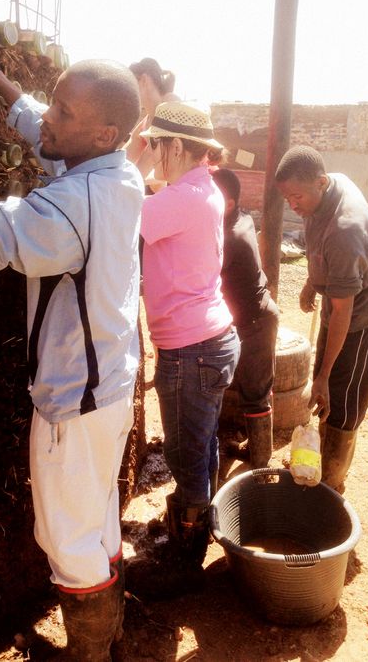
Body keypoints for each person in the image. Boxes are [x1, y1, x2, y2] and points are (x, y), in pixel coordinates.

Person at [0, 30, 143, 660]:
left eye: (63, 111)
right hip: (110, 390)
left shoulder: (67, 209)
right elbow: (48, 134)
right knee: (98, 522)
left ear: (102, 132)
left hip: (73, 403)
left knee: (67, 541)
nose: (49, 116)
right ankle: (111, 638)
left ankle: (89, 652)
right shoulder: (118, 173)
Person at [126, 101, 240, 598]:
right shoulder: (202, 187)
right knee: (202, 443)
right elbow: (155, 193)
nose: (153, 152)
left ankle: (185, 561)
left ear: (175, 146)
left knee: (185, 454)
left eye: (157, 144)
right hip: (211, 340)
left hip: (191, 349)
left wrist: (132, 158)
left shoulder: (181, 199)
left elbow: (114, 208)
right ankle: (198, 524)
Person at [275, 146, 368, 492]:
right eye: (287, 198)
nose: (292, 205)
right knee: (325, 388)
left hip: (364, 315)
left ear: (321, 182)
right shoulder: (324, 190)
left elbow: (344, 312)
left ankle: (332, 479)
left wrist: (325, 375)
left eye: (297, 197)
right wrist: (312, 282)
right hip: (341, 298)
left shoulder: (346, 230)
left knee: (343, 397)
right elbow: (319, 246)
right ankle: (317, 459)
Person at [211, 168, 279, 468]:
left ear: (228, 204)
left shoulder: (230, 238)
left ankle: (260, 460)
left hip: (255, 323)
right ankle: (256, 448)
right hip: (256, 317)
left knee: (255, 393)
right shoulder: (242, 218)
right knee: (257, 387)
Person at [127, 57, 179, 185]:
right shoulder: (148, 120)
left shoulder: (170, 101)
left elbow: (152, 155)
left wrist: (126, 184)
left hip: (196, 184)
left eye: (130, 85)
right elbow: (125, 157)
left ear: (144, 80)